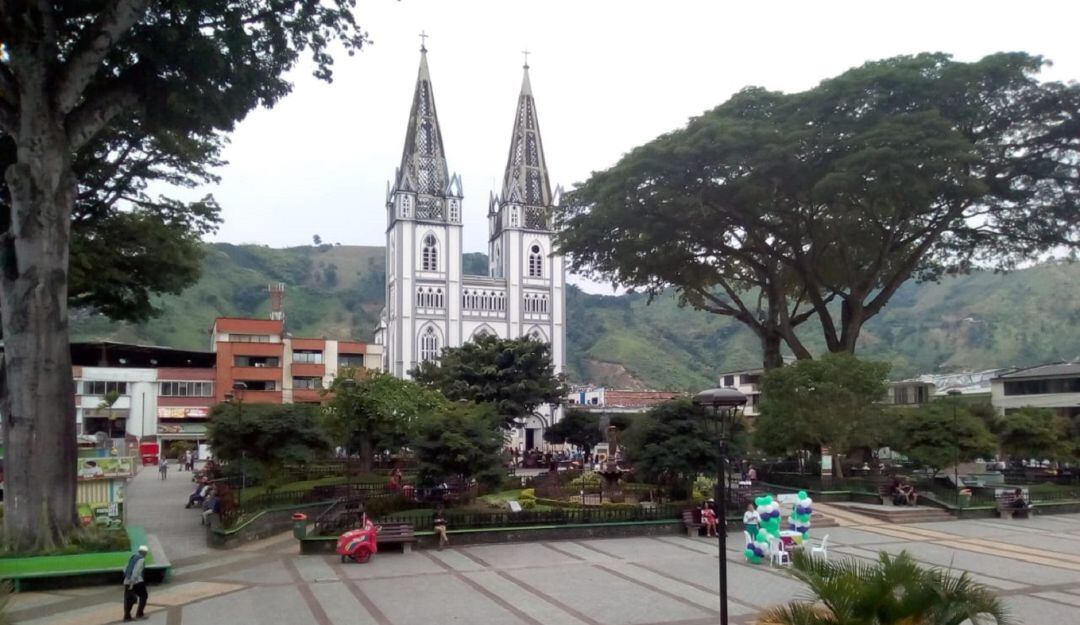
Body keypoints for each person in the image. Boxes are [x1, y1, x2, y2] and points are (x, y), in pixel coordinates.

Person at [122, 545, 150, 621]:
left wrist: (127, 578)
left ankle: (127, 617)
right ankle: (139, 614)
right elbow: (136, 572)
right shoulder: (141, 559)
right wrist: (132, 583)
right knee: (144, 596)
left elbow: (125, 568)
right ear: (144, 553)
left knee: (128, 599)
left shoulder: (133, 557)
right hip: (137, 581)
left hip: (126, 581)